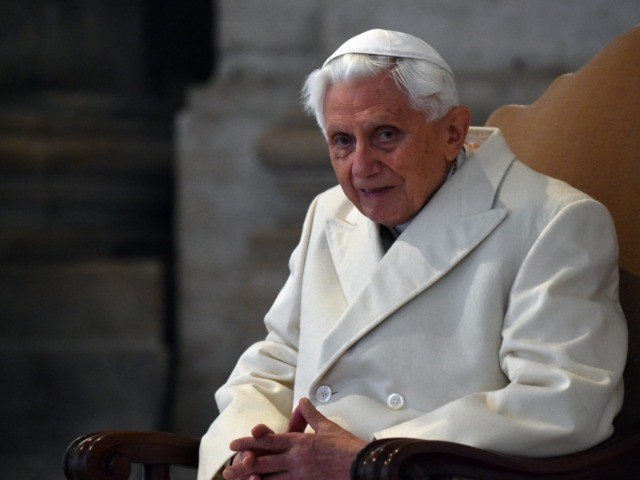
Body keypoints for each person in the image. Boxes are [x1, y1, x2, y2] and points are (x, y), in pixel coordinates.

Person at [197, 29, 627, 480]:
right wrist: (243, 455)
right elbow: (278, 360)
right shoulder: (328, 212)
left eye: (384, 135)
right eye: (342, 141)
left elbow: (564, 401)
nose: (361, 167)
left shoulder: (553, 222)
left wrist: (371, 459)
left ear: (452, 132)